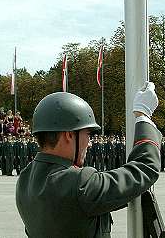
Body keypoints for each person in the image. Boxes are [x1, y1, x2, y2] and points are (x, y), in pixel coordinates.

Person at [14, 92, 157, 238]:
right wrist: (143, 116)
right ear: (69, 135)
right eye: (87, 134)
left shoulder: (25, 180)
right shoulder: (79, 182)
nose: (89, 143)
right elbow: (144, 168)